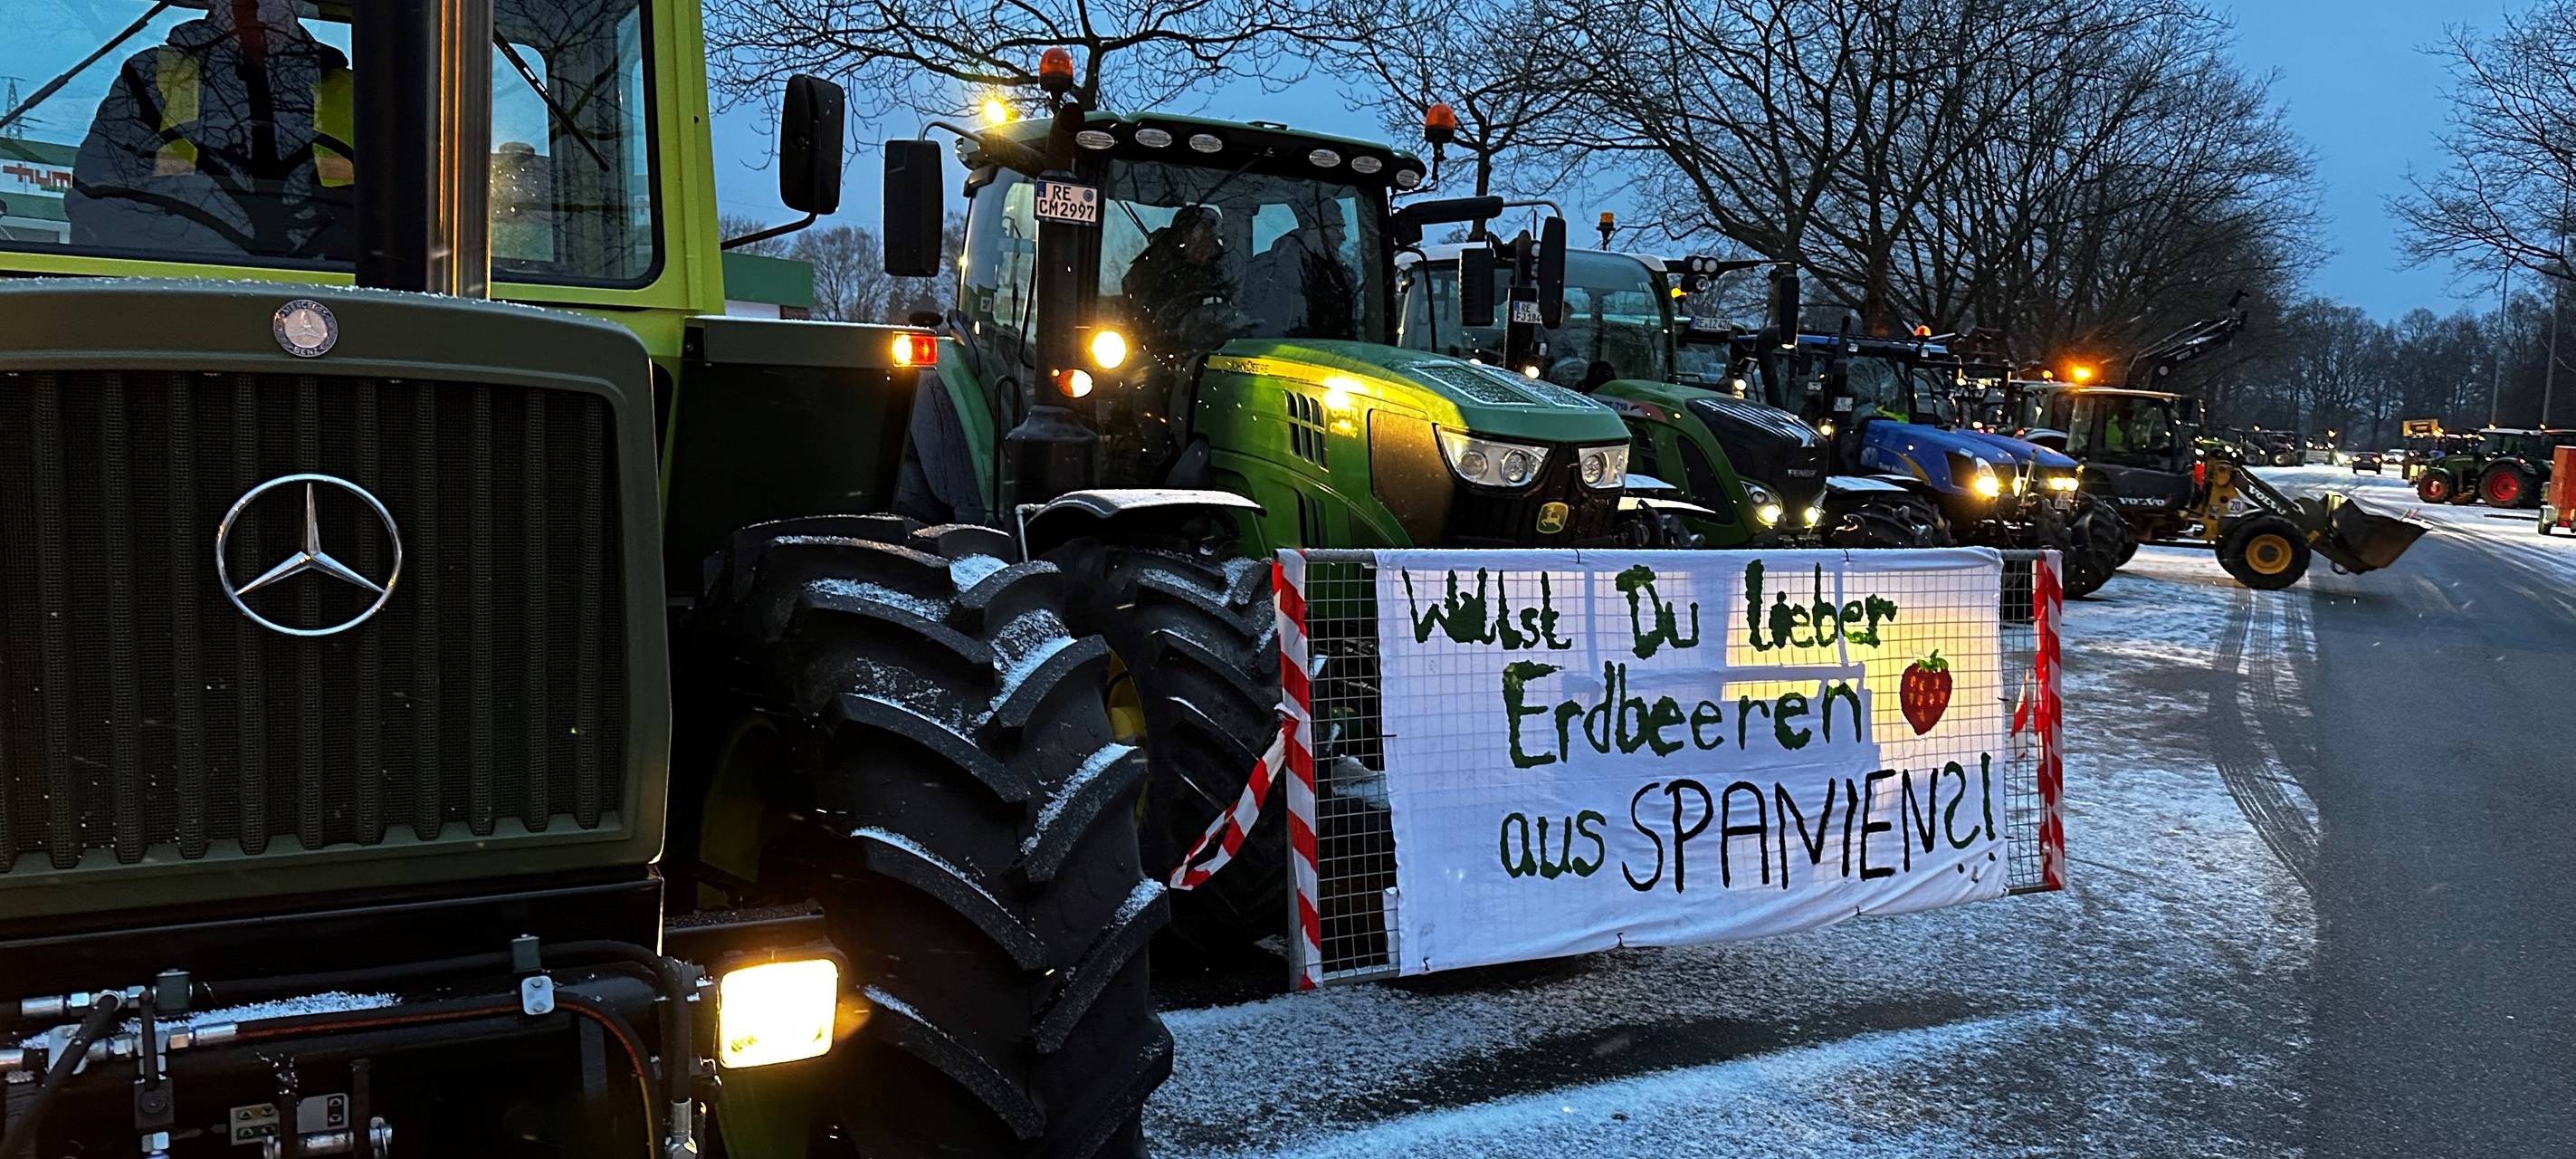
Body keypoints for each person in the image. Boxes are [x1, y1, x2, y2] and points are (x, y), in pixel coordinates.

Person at [65, 0, 354, 261]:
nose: (255, 10)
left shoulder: (355, 92)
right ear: (215, 4)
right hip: (184, 284)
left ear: (297, 6)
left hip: (331, 286)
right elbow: (96, 194)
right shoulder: (153, 76)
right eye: (241, 1)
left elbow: (392, 208)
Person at [1120, 205, 1232, 347]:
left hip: (1209, 350)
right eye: (1200, 235)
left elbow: (1231, 307)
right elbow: (1134, 303)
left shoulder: (1219, 272)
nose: (1206, 245)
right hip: (1155, 347)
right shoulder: (1154, 265)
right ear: (1182, 235)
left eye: (1211, 238)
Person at [1238, 206, 1354, 338]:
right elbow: (1262, 333)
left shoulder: (1340, 275)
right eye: (1337, 228)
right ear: (1313, 228)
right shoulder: (1266, 271)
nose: (1343, 237)